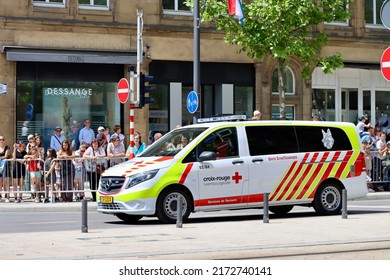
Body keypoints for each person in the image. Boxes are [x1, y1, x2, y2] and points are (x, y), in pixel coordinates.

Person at [0, 135, 11, 202]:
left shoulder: (7, 147)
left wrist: (0, 158)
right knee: (0, 182)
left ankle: (7, 196)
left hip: (5, 166)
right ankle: (0, 195)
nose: (1, 141)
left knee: (6, 182)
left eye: (2, 139)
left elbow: (6, 156)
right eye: (0, 139)